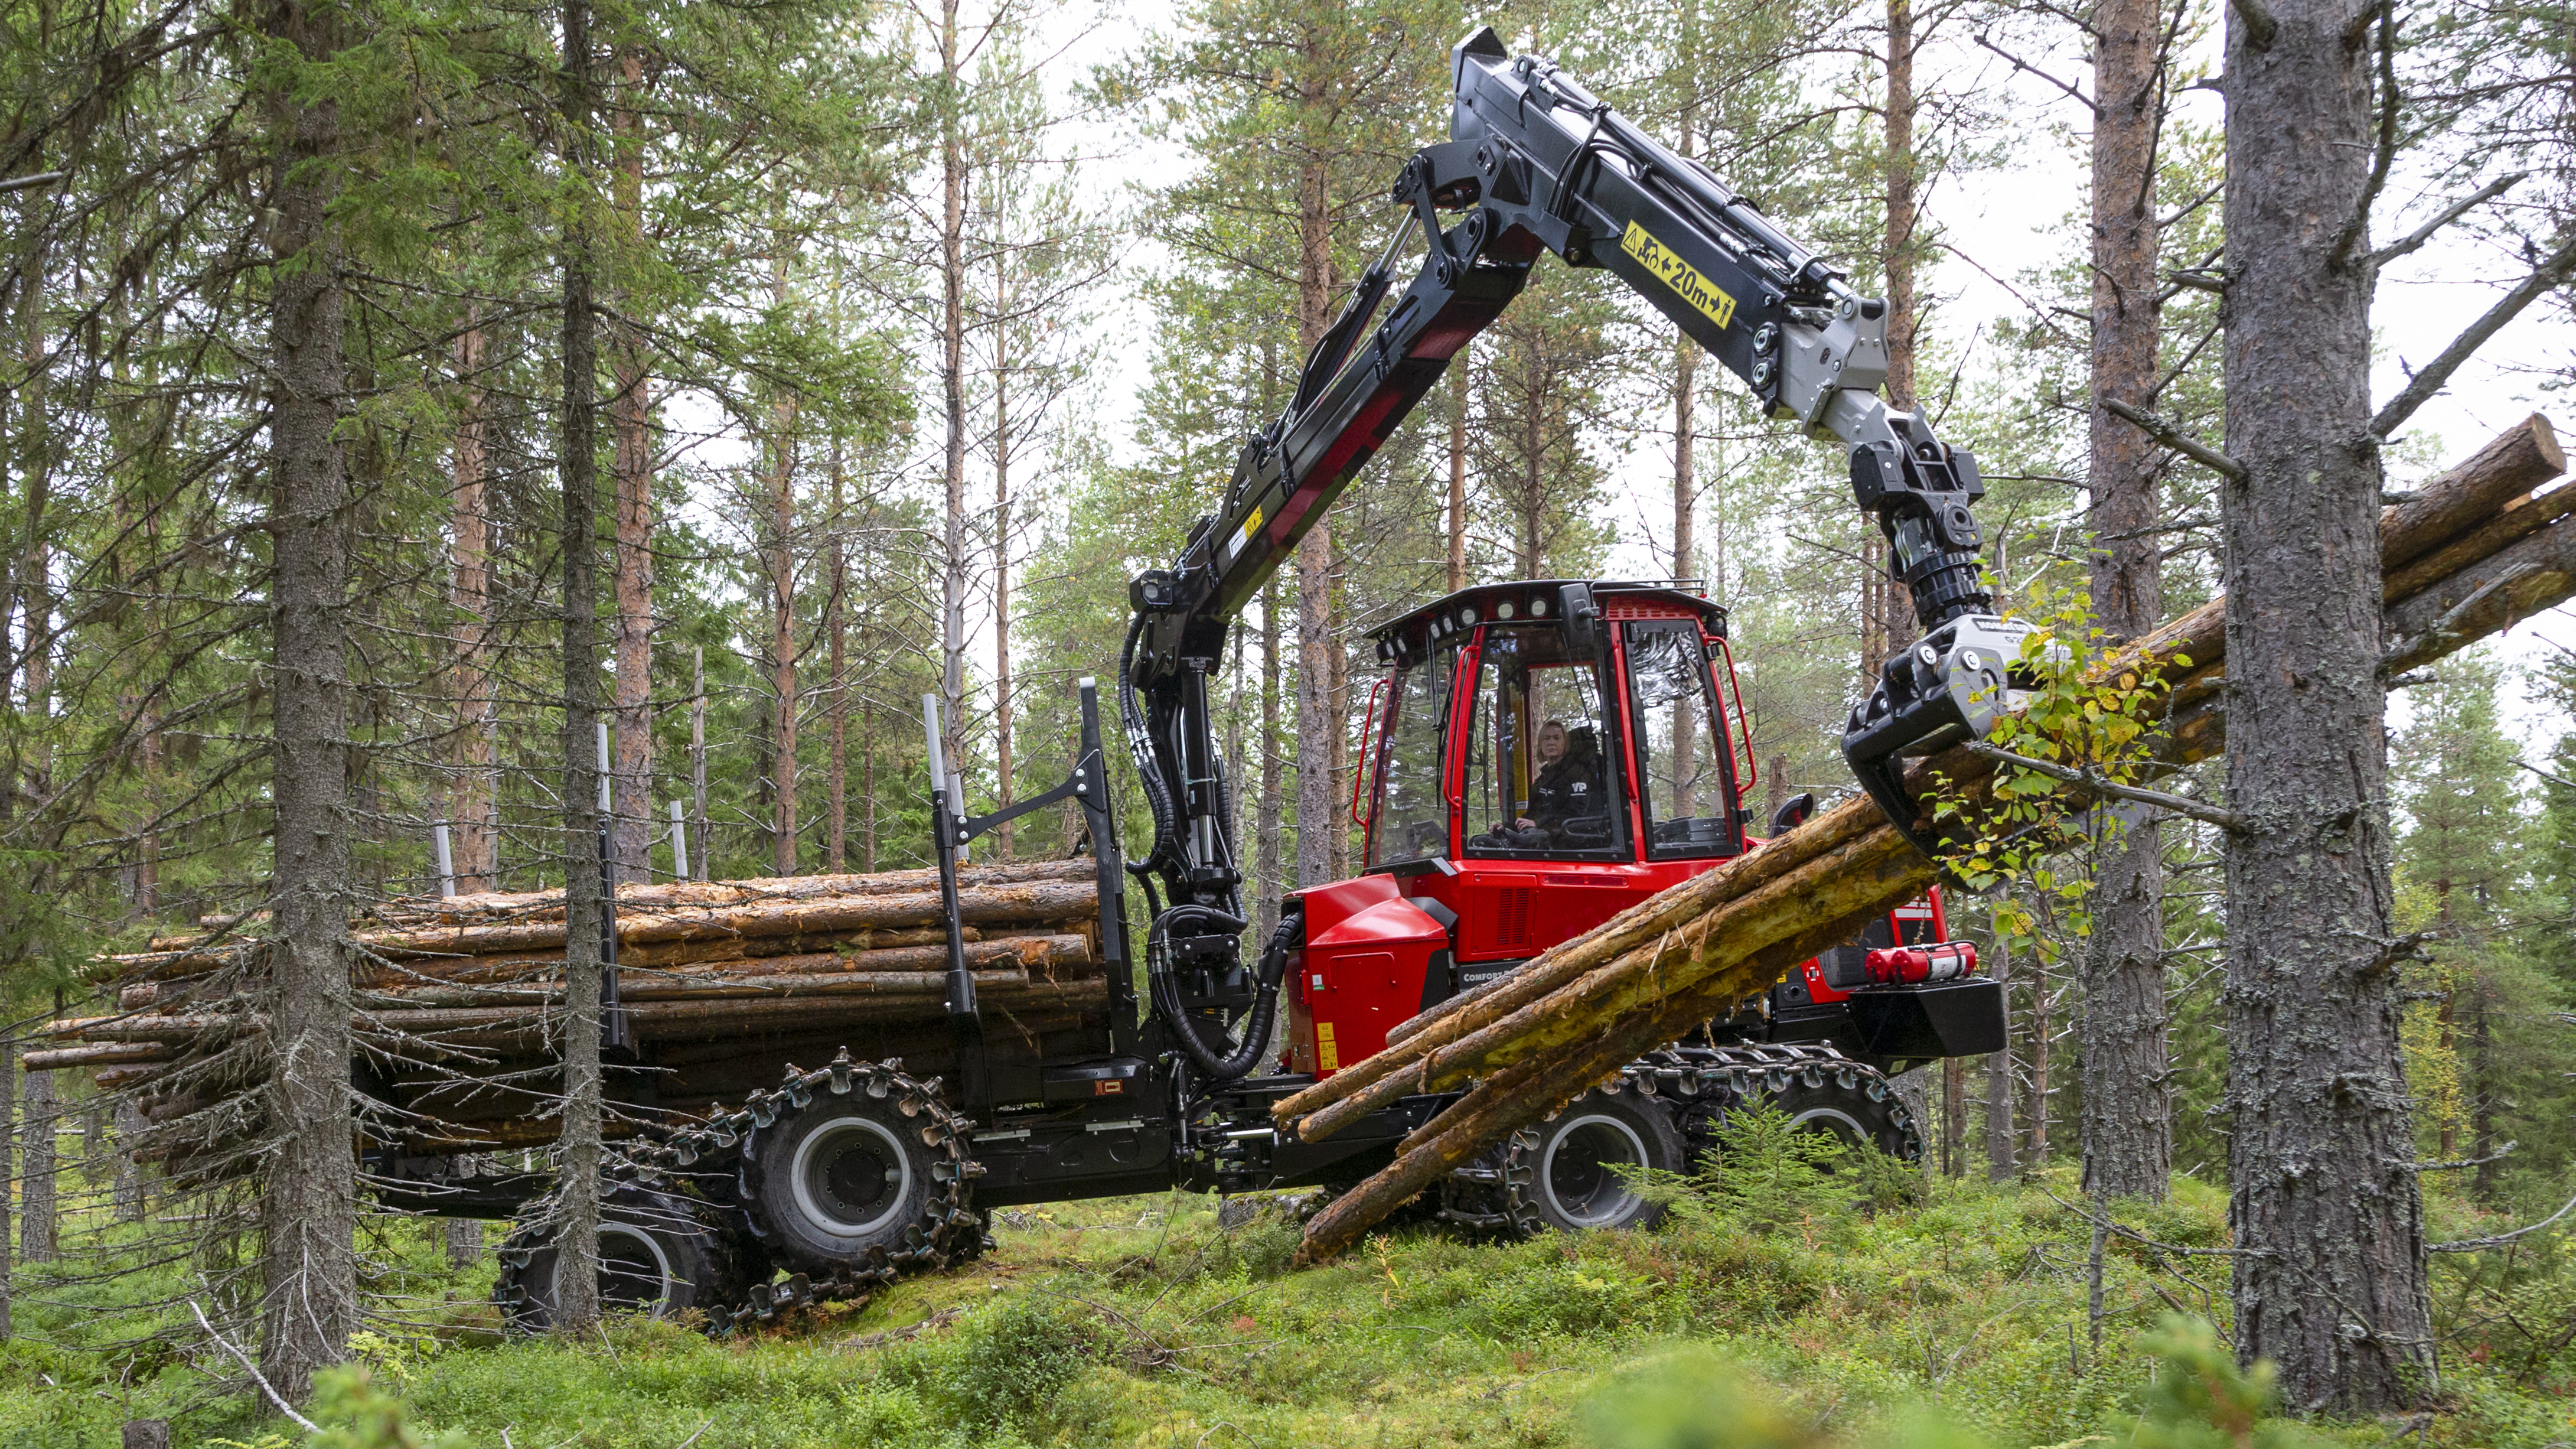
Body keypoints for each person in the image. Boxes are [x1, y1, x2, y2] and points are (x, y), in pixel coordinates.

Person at [1517, 719, 1604, 844]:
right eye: (1546, 739)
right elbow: (1532, 815)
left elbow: (1576, 813)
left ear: (1566, 744)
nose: (1551, 743)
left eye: (1557, 738)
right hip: (1545, 841)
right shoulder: (1542, 781)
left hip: (1570, 844)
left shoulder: (1577, 774)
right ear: (1540, 745)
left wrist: (1539, 824)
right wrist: (1507, 827)